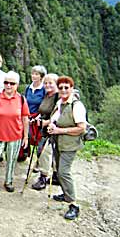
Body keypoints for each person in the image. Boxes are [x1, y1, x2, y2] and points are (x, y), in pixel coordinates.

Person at [47, 76, 86, 220]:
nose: (63, 90)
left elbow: (81, 128)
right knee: (58, 168)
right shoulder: (60, 103)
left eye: (66, 87)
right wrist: (52, 126)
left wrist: (59, 131)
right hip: (58, 142)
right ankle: (65, 194)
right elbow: (55, 119)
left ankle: (74, 205)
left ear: (71, 88)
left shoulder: (77, 105)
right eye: (61, 87)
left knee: (63, 172)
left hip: (69, 144)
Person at [31, 73, 60, 190]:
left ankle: (43, 178)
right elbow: (43, 111)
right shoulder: (47, 95)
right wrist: (38, 118)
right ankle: (55, 176)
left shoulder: (58, 97)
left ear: (56, 84)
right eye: (46, 83)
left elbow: (59, 114)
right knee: (47, 152)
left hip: (54, 129)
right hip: (44, 128)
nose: (47, 85)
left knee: (43, 152)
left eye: (50, 83)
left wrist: (46, 122)